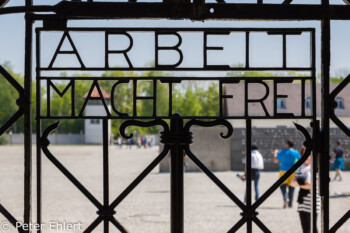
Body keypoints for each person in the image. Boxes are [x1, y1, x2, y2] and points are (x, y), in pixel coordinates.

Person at [291, 156, 320, 233]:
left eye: (309, 159)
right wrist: (304, 183)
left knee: (313, 228)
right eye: (306, 159)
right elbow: (292, 183)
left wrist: (299, 182)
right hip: (302, 202)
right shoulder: (301, 168)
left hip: (313, 201)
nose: (307, 161)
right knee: (305, 229)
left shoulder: (315, 169)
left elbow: (312, 185)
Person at [274, 139, 301, 208]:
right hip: (293, 171)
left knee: (282, 186)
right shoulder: (296, 152)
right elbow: (300, 160)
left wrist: (275, 153)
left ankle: (286, 198)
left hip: (283, 171)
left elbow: (275, 160)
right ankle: (290, 204)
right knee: (292, 187)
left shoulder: (282, 151)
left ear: (287, 145)